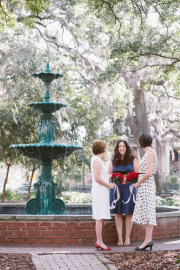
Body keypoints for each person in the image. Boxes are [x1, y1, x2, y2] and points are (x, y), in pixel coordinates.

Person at [109, 140, 139, 246]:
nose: (121, 148)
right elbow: (109, 174)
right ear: (117, 148)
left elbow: (137, 174)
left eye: (123, 146)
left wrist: (128, 178)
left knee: (129, 213)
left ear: (127, 147)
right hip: (117, 189)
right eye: (120, 146)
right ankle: (119, 238)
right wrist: (118, 177)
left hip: (129, 189)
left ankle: (127, 238)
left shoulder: (133, 159)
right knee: (118, 213)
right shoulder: (113, 160)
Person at [132, 133, 158, 251]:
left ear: (141, 143)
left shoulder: (149, 154)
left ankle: (148, 240)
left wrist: (138, 182)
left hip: (146, 184)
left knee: (148, 212)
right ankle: (148, 240)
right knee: (147, 212)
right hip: (146, 185)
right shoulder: (149, 153)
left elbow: (148, 173)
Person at [91, 140, 115, 251]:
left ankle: (99, 241)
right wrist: (109, 185)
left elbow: (103, 175)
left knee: (100, 217)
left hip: (102, 191)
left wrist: (116, 177)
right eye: (104, 147)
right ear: (102, 149)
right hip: (100, 191)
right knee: (99, 217)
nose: (106, 149)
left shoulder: (98, 160)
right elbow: (97, 178)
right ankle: (99, 242)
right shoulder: (97, 161)